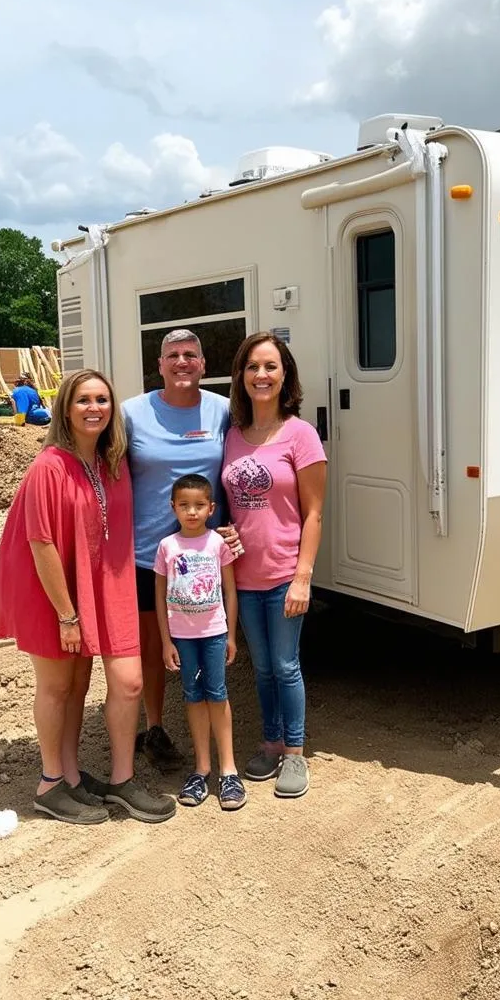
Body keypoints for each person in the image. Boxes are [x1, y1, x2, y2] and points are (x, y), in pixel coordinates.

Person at [0, 368, 176, 825]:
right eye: (83, 400)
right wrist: (67, 615)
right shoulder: (49, 465)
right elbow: (40, 542)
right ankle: (51, 783)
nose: (94, 408)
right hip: (53, 594)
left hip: (96, 588)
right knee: (57, 687)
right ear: (65, 408)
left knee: (101, 684)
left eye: (102, 399)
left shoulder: (108, 461)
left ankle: (90, 778)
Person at [122, 329, 242, 773]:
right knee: (154, 648)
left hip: (207, 555)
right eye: (173, 355)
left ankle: (217, 739)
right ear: (160, 365)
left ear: (203, 363)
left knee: (210, 639)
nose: (182, 362)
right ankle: (154, 728)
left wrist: (236, 527)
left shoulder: (223, 410)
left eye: (190, 354)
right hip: (146, 553)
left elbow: (239, 469)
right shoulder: (133, 412)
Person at [222, 332, 327, 800]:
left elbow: (314, 513)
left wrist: (303, 576)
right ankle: (270, 742)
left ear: (285, 376)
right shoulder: (232, 437)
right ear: (241, 377)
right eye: (252, 367)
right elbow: (228, 506)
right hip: (243, 577)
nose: (261, 375)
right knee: (261, 667)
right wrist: (223, 530)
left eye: (270, 367)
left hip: (286, 573)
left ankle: (296, 754)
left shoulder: (300, 434)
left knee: (286, 666)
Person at [154, 474, 245, 811]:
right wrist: (166, 641)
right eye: (184, 505)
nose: (191, 512)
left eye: (199, 505)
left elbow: (230, 590)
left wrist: (232, 635)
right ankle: (201, 769)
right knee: (193, 697)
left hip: (214, 634)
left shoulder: (217, 545)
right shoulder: (167, 547)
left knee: (217, 695)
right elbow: (161, 596)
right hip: (183, 638)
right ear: (173, 507)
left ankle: (229, 771)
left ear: (211, 508)